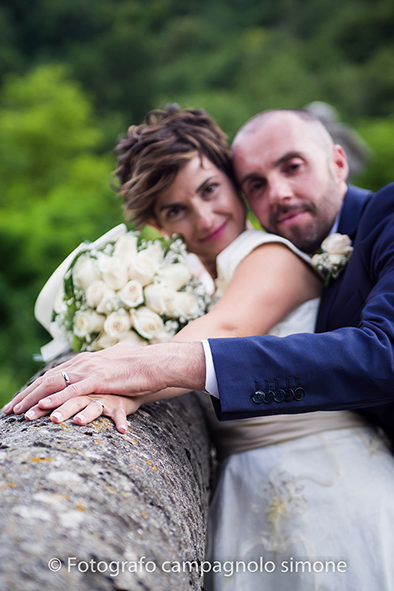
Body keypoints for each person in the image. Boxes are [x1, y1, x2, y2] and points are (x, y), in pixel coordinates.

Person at [4, 107, 394, 589]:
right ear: (158, 224)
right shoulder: (201, 277)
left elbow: (226, 326)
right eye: (175, 209)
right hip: (244, 484)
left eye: (210, 190)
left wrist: (128, 382)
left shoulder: (269, 253)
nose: (204, 218)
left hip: (328, 479)